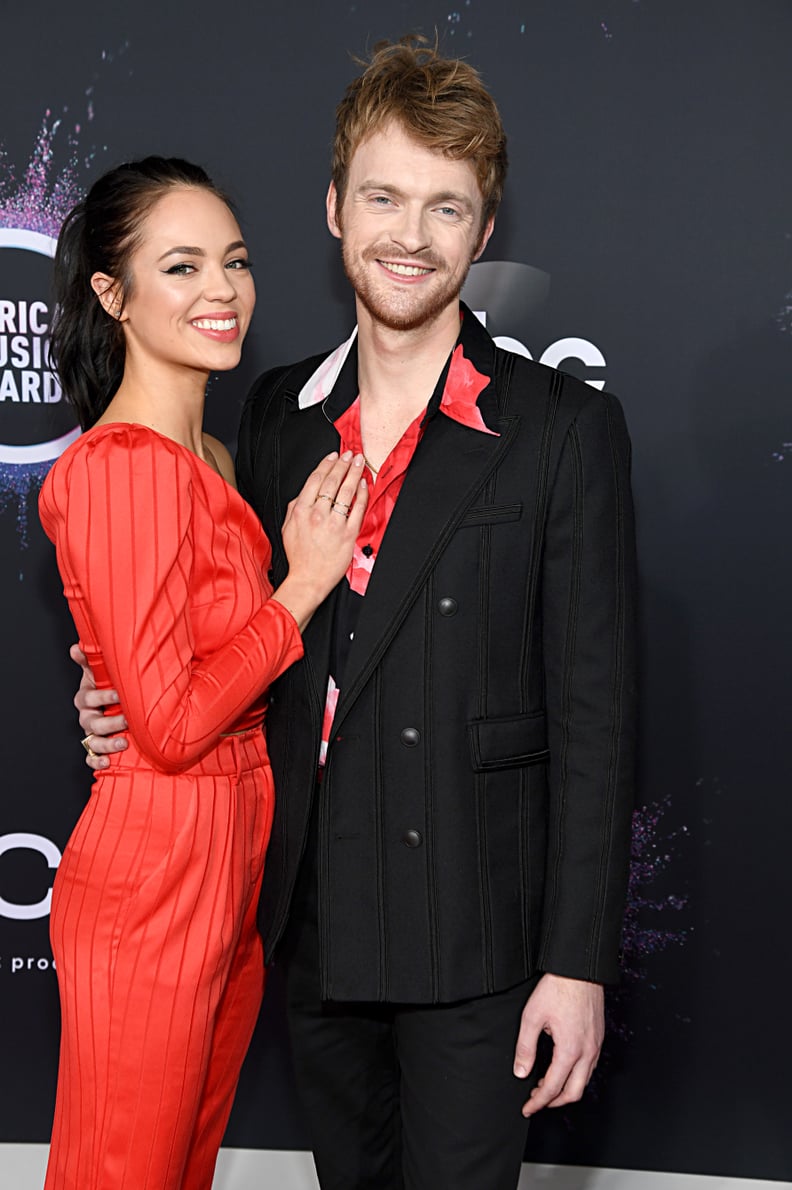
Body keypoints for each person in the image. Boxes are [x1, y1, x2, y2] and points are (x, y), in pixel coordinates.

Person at [76, 40, 636, 1190]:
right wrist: (115, 699)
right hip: (309, 927)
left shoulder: (563, 426)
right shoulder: (275, 416)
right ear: (335, 208)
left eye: (447, 208)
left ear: (484, 235)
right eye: (383, 195)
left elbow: (598, 717)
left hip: (475, 937)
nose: (409, 235)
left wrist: (576, 965)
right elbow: (206, 627)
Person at [40, 156, 367, 1190]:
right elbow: (173, 723)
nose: (221, 291)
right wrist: (303, 585)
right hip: (156, 871)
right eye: (180, 266)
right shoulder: (120, 466)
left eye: (234, 260)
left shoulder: (216, 461)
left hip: (231, 868)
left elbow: (158, 672)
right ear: (112, 294)